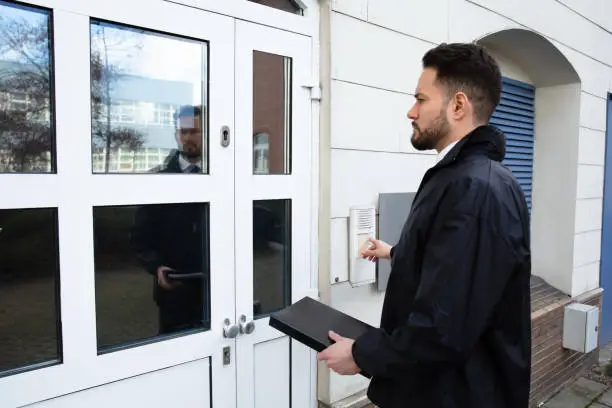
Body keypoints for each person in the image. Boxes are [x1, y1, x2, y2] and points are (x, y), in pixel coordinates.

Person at [317, 43, 532, 408]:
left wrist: (362, 354)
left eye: (420, 99)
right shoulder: (465, 177)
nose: (411, 111)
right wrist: (394, 252)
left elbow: (443, 328)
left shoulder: (474, 188)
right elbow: (458, 268)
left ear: (458, 105)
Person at [130, 104, 207, 334]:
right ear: (176, 136)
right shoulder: (159, 179)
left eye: (195, 131)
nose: (189, 138)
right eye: (184, 132)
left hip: (216, 288)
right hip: (175, 291)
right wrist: (156, 266)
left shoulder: (224, 175)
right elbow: (139, 237)